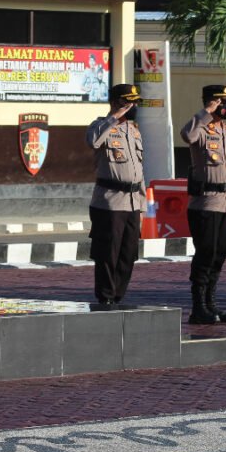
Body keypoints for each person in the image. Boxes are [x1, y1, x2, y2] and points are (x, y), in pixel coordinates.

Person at [180, 85, 226, 324]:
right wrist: (206, 111)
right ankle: (198, 307)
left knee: (219, 253)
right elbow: (188, 135)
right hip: (206, 202)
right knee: (205, 254)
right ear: (212, 102)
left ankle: (211, 303)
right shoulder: (201, 128)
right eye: (222, 102)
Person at [86, 83, 146, 307]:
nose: (132, 106)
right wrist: (114, 116)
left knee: (128, 254)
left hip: (132, 202)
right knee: (107, 254)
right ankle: (106, 298)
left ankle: (118, 297)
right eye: (127, 101)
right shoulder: (100, 125)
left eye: (135, 102)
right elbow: (93, 141)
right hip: (109, 202)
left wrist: (142, 205)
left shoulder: (134, 130)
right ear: (115, 102)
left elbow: (139, 170)